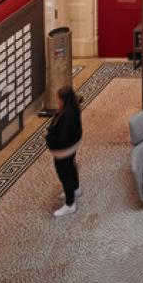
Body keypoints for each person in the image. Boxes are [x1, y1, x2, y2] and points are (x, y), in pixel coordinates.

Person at [46, 85, 83, 218]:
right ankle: (75, 188)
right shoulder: (73, 109)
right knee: (71, 166)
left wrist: (50, 139)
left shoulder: (67, 115)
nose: (57, 101)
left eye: (58, 99)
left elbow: (63, 137)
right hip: (72, 146)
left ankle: (70, 203)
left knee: (64, 174)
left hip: (65, 149)